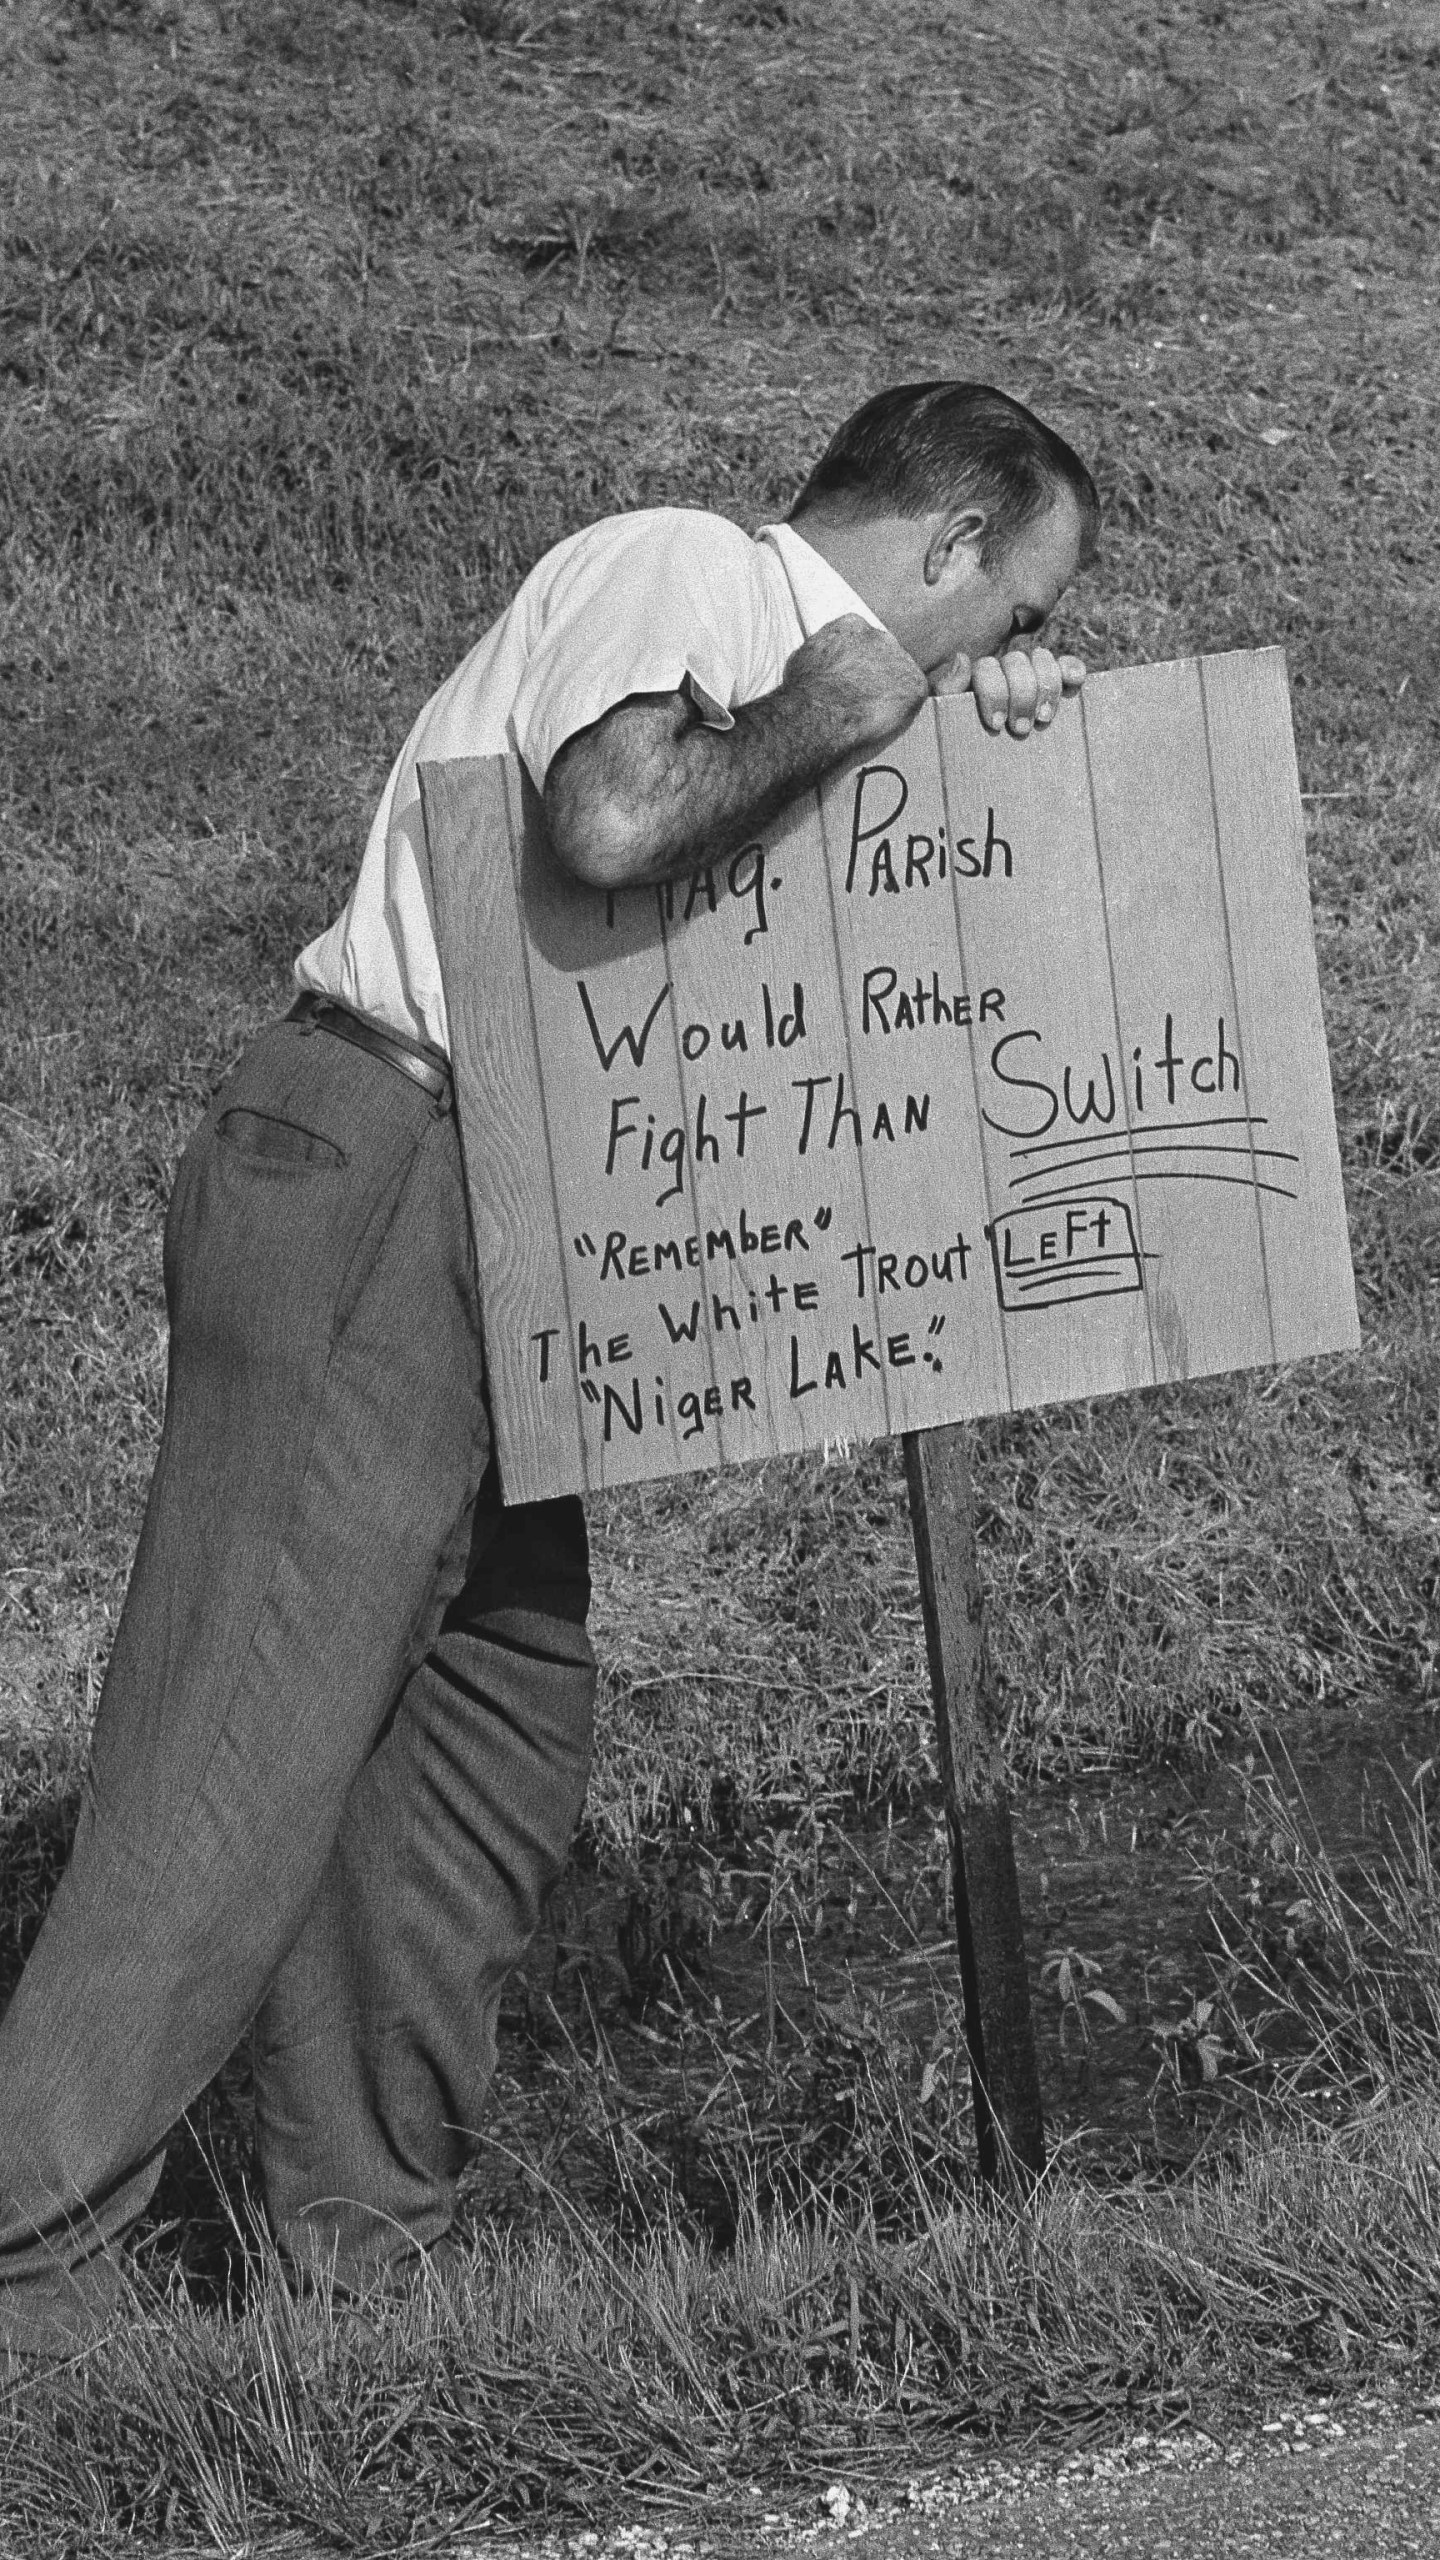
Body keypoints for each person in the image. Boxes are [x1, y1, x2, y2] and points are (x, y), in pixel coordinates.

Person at [0, 380, 1098, 2356]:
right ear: (944, 545)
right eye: (1011, 615)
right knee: (231, 1760)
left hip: (518, 1234)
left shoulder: (816, 678)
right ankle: (32, 2279)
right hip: (387, 1171)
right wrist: (848, 712)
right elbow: (603, 819)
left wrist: (978, 741)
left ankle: (367, 2263)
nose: (1002, 651)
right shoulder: (687, 569)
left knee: (476, 1751)